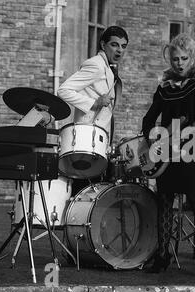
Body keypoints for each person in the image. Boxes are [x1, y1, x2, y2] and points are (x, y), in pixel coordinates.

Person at [142, 33, 195, 277]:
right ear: (170, 59)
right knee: (164, 201)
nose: (180, 63)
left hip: (189, 149)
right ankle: (162, 256)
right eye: (175, 59)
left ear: (192, 58)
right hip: (165, 151)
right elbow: (149, 118)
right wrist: (151, 137)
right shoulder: (164, 87)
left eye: (184, 58)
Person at [57, 26, 128, 195]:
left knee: (89, 193)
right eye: (114, 45)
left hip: (98, 140)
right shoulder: (96, 65)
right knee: (83, 191)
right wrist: (94, 103)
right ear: (103, 45)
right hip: (85, 140)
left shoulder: (108, 67)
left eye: (123, 46)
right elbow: (64, 90)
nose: (119, 50)